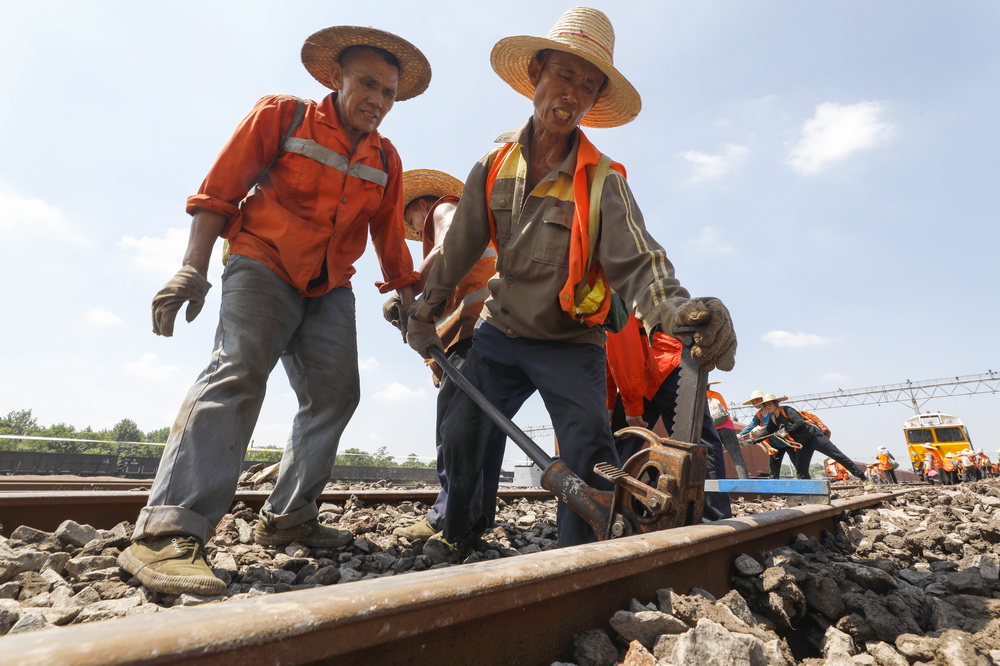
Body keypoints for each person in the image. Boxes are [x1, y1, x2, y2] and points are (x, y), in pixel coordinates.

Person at [405, 7, 737, 555]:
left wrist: (680, 312)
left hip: (569, 343)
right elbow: (457, 248)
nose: (572, 93)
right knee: (463, 432)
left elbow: (641, 263)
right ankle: (458, 535)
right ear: (536, 74)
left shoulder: (602, 181)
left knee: (587, 451)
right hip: (500, 333)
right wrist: (423, 311)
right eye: (564, 75)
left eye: (587, 85)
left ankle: (582, 556)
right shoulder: (493, 167)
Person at [117, 25, 431, 596]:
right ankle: (166, 533)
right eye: (367, 84)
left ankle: (289, 516)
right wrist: (194, 266)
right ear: (335, 79)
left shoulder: (386, 157)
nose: (378, 101)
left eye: (388, 92)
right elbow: (220, 191)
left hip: (329, 284)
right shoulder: (282, 117)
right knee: (238, 372)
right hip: (263, 262)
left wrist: (414, 308)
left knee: (337, 394)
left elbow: (390, 240)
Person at [384, 170, 502, 541]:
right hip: (491, 331)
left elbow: (446, 244)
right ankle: (477, 516)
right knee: (484, 426)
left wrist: (407, 289)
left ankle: (445, 517)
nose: (418, 231)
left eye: (413, 223)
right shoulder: (469, 226)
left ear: (422, 205)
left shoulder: (444, 209)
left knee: (454, 428)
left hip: (474, 334)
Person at [605, 315, 732, 520]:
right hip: (641, 376)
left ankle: (714, 516)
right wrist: (609, 404)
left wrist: (631, 404)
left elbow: (623, 352)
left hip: (668, 367)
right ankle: (613, 508)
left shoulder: (613, 297)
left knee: (698, 442)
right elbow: (610, 359)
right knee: (616, 441)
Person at [759, 394, 868, 484]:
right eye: (766, 405)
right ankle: (808, 491)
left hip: (814, 436)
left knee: (837, 455)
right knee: (801, 469)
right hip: (803, 443)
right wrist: (752, 441)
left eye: (770, 404)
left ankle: (863, 477)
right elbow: (767, 432)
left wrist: (786, 431)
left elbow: (799, 422)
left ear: (776, 403)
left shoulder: (786, 410)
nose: (768, 406)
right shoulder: (773, 420)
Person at [738, 393, 796, 479]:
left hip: (788, 441)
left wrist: (762, 429)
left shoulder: (773, 410)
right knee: (773, 470)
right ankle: (774, 491)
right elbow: (751, 425)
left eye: (754, 401)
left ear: (760, 400)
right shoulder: (759, 414)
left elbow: (773, 424)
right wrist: (740, 434)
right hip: (774, 444)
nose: (753, 404)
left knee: (798, 463)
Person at [706, 382, 747, 479]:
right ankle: (744, 482)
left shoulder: (699, 396)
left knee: (715, 458)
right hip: (726, 426)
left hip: (711, 428)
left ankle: (717, 481)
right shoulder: (716, 394)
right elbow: (725, 410)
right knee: (736, 456)